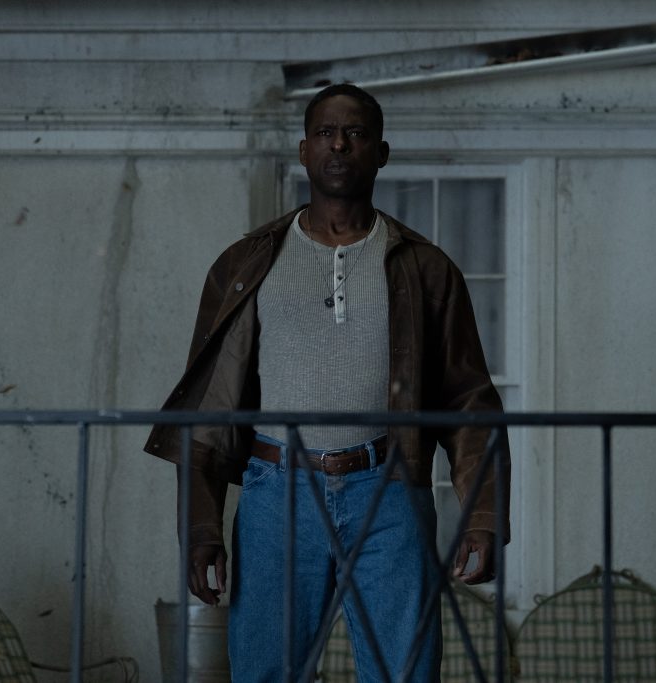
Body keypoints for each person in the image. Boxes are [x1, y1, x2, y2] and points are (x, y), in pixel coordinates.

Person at [145, 83, 510, 682]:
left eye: (356, 133)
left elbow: (469, 399)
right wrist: (201, 526)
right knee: (265, 673)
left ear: (381, 153)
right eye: (325, 133)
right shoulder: (244, 263)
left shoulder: (425, 267)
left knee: (405, 673)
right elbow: (207, 405)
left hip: (390, 490)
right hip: (275, 495)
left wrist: (482, 515)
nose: (339, 144)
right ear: (304, 151)